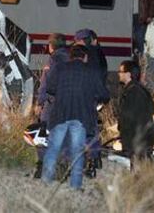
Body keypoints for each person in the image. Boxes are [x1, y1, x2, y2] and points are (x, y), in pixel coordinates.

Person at [41, 45, 110, 189]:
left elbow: (50, 88)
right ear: (85, 57)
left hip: (60, 114)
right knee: (77, 152)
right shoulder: (91, 71)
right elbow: (104, 94)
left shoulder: (60, 68)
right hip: (81, 116)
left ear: (70, 56)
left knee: (53, 149)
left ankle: (46, 182)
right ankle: (75, 186)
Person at [34, 33, 69, 179]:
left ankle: (43, 167)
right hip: (68, 103)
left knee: (43, 134)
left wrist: (39, 103)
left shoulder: (53, 60)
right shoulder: (71, 58)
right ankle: (63, 168)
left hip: (52, 103)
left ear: (51, 46)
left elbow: (45, 84)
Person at [73, 28, 108, 172]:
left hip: (86, 98)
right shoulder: (98, 53)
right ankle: (95, 158)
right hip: (93, 98)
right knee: (91, 129)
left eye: (79, 41)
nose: (76, 43)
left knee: (87, 130)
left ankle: (91, 160)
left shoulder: (89, 55)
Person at [117, 60, 154, 166]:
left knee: (138, 171)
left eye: (121, 71)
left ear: (128, 74)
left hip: (138, 141)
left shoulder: (133, 92)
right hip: (140, 140)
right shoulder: (137, 90)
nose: (118, 74)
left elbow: (130, 117)